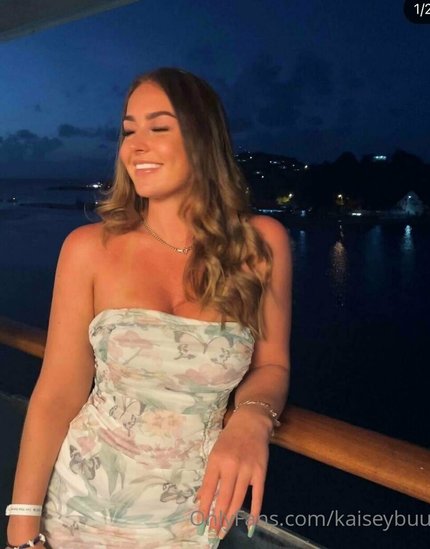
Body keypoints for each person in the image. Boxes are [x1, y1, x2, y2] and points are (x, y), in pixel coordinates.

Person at [6, 67, 292, 548]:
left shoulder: (261, 244)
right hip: (76, 509)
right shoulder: (88, 248)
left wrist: (252, 419)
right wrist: (22, 529)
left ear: (203, 139)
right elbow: (57, 394)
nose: (135, 146)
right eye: (128, 131)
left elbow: (272, 365)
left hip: (191, 521)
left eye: (158, 127)